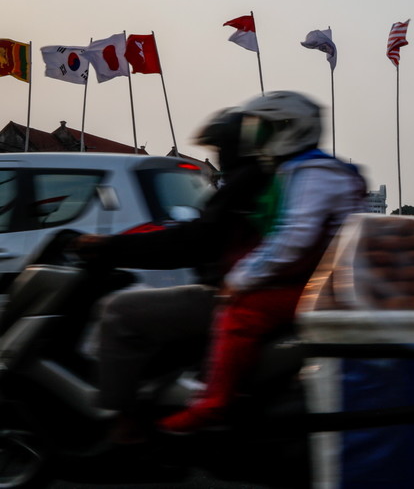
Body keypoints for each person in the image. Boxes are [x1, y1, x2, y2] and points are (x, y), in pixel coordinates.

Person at [157, 90, 367, 434]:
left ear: (288, 129)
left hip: (327, 288)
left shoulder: (312, 171)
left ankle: (214, 404)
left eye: (262, 129)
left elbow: (293, 238)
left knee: (241, 311)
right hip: (327, 281)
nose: (256, 140)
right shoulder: (314, 168)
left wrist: (241, 279)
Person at [79, 107, 271, 445]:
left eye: (220, 148)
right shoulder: (261, 178)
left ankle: (124, 427)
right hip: (243, 290)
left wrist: (111, 247)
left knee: (118, 312)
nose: (218, 156)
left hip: (229, 295)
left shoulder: (246, 181)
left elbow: (192, 242)